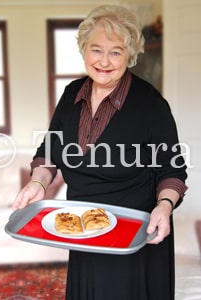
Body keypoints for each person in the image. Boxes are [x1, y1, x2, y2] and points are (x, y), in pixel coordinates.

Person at [13, 5, 187, 300]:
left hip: (132, 236)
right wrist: (38, 182)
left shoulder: (150, 104)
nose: (104, 61)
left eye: (116, 52)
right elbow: (49, 152)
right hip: (83, 230)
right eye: (96, 50)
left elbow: (172, 171)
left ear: (129, 55)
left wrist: (164, 207)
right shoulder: (71, 95)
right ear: (84, 50)